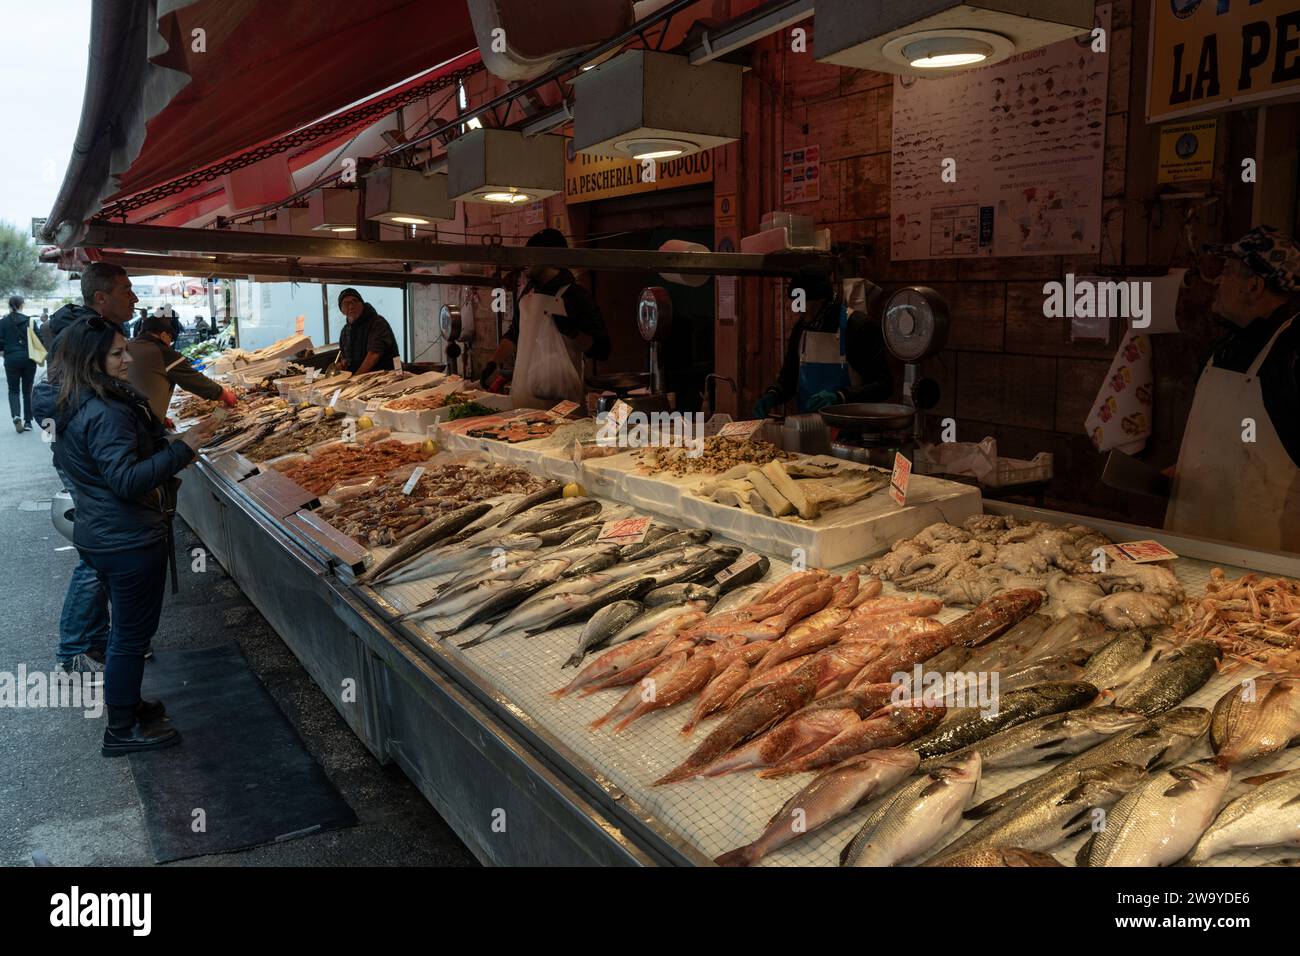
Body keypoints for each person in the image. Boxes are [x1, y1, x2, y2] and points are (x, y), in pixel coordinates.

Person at [52, 317, 218, 755]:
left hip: (103, 533)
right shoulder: (105, 411)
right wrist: (184, 448)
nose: (127, 360)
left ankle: (128, 705)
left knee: (127, 634)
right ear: (91, 361)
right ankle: (121, 730)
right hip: (125, 539)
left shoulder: (79, 402)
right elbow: (126, 480)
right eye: (116, 354)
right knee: (129, 636)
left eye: (124, 350)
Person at [1165, 225, 1300, 550]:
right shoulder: (1228, 345)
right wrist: (1189, 468)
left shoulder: (1293, 350)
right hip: (1196, 528)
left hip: (1263, 548)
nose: (1217, 282)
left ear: (1253, 285)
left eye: (1226, 272)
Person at [34, 263, 137, 678]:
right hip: (86, 461)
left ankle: (96, 640)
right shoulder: (84, 338)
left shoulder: (90, 332)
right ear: (100, 298)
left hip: (82, 455)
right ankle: (75, 648)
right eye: (126, 290)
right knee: (96, 557)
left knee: (99, 553)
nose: (133, 298)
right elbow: (55, 401)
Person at [480, 228, 611, 409]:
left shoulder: (576, 296)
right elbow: (514, 335)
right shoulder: (527, 293)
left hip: (561, 404)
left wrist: (573, 332)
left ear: (549, 258)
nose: (524, 262)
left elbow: (602, 349)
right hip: (522, 400)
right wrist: (493, 362)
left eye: (530, 256)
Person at [754, 270, 892, 418]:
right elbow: (789, 379)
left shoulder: (858, 327)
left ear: (821, 299)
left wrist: (840, 397)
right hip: (808, 429)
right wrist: (773, 394)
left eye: (802, 302)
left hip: (850, 431)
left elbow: (883, 386)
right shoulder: (801, 328)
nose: (797, 310)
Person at [127, 313, 236, 420]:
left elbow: (143, 381)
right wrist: (224, 394)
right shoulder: (162, 352)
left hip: (128, 415)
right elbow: (194, 381)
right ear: (164, 335)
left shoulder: (130, 346)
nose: (170, 343)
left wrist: (159, 415)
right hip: (139, 423)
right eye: (171, 339)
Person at [335, 288, 400, 375]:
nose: (351, 306)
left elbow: (374, 354)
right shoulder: (345, 331)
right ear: (342, 310)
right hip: (361, 378)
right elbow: (344, 357)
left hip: (385, 376)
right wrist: (343, 364)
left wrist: (355, 378)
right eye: (346, 304)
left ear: (362, 304)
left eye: (354, 301)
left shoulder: (377, 323)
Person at [1, 295, 37, 431]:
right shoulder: (29, 321)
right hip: (28, 358)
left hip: (11, 359)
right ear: (22, 305)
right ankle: (28, 421)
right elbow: (38, 339)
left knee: (13, 390)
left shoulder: (3, 322)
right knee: (27, 390)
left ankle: (16, 415)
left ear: (10, 305)